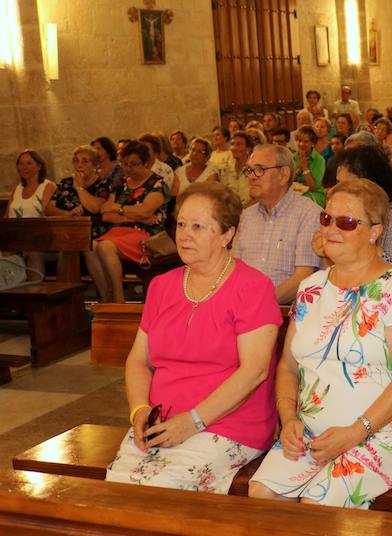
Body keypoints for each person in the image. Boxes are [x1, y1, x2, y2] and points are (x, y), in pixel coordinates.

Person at [248, 178, 392, 507]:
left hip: (379, 436)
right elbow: (288, 366)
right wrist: (288, 418)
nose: (331, 229)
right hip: (310, 433)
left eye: (346, 222)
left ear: (375, 231)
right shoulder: (312, 288)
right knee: (261, 495)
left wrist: (354, 433)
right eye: (326, 219)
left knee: (317, 506)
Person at [105, 181, 281, 494]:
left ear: (227, 235)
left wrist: (193, 421)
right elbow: (138, 360)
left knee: (162, 491)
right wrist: (139, 410)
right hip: (162, 423)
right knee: (116, 491)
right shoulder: (162, 286)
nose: (184, 234)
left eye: (198, 226)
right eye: (182, 224)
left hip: (229, 425)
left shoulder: (253, 288)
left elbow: (255, 371)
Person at [232, 144, 321, 304]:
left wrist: (258, 305)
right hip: (242, 308)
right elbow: (233, 269)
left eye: (260, 169)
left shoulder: (309, 214)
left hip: (285, 314)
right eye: (249, 170)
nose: (251, 176)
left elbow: (304, 277)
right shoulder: (247, 216)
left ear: (283, 175)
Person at [85, 141, 169, 303]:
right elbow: (105, 214)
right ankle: (105, 298)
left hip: (147, 236)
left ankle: (119, 300)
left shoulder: (157, 184)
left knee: (105, 246)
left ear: (146, 162)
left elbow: (145, 210)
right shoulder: (121, 183)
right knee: (90, 247)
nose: (128, 169)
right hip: (118, 233)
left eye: (134, 164)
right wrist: (134, 214)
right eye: (125, 164)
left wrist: (118, 208)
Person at [331, 145, 392, 276]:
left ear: (370, 183)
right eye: (338, 183)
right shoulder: (343, 216)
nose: (337, 190)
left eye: (347, 185)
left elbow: (389, 270)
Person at [46, 145, 113, 241]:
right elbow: (48, 209)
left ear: (95, 165)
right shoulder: (66, 182)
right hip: (65, 232)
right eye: (76, 161)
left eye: (85, 161)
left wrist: (79, 188)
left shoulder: (103, 184)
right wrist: (68, 214)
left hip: (92, 234)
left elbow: (96, 208)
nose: (79, 165)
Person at [7, 150, 56, 274]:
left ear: (39, 166)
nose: (24, 167)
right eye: (21, 164)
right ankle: (11, 288)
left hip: (40, 238)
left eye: (29, 163)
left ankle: (35, 290)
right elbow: (6, 218)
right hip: (15, 238)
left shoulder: (48, 186)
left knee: (32, 251)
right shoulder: (17, 189)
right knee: (6, 249)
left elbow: (47, 214)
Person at [218, 131, 254, 206]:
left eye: (239, 144)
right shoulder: (226, 170)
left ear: (248, 148)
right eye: (232, 144)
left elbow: (260, 197)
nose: (234, 148)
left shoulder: (254, 169)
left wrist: (244, 209)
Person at [293, 126, 326, 207]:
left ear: (313, 143)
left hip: (314, 193)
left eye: (305, 141)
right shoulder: (293, 157)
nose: (301, 144)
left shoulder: (319, 160)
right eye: (299, 141)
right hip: (296, 191)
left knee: (299, 202)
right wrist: (298, 170)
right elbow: (288, 181)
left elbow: (313, 187)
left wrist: (305, 168)